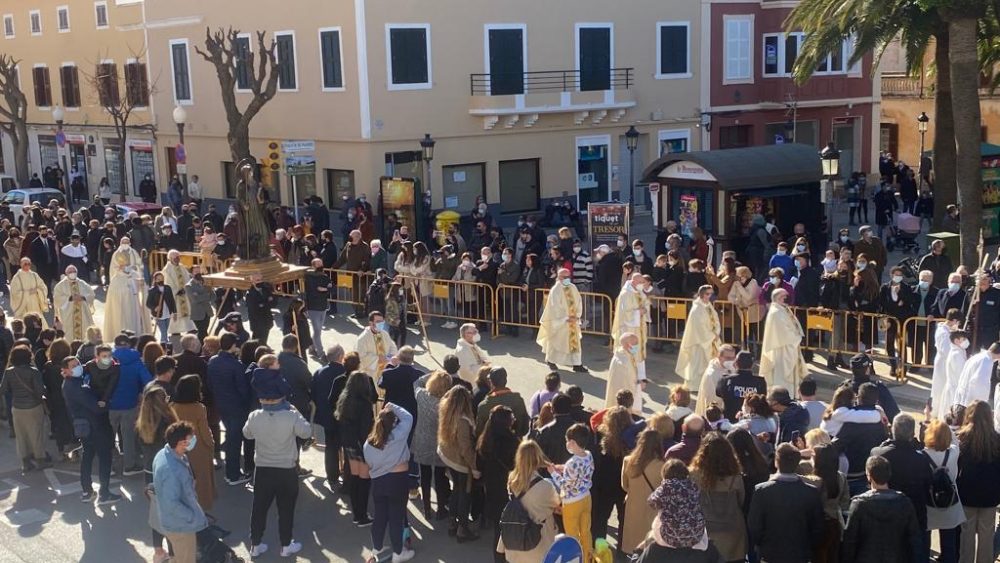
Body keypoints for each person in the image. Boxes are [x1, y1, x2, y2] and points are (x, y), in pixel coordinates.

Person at [243, 389, 312, 558]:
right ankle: (286, 544)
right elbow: (306, 432)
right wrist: (296, 412)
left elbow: (247, 434)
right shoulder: (291, 416)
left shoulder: (255, 416)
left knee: (259, 508)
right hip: (286, 470)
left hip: (263, 469)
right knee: (286, 509)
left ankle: (255, 544)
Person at [869, 413, 933, 559]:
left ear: (893, 430)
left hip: (885, 512)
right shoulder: (921, 458)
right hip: (915, 514)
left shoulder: (878, 453)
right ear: (912, 433)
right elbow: (928, 484)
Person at [748, 443, 824, 563]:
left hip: (770, 554)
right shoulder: (811, 492)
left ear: (776, 462)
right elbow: (817, 528)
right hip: (800, 554)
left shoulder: (761, 491)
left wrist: (762, 545)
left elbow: (754, 526)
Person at [841, 455, 922, 563]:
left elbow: (850, 540)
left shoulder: (859, 504)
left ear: (869, 476)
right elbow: (914, 538)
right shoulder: (904, 502)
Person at [62, 356, 120, 504]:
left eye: (78, 364)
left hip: (85, 426)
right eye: (73, 366)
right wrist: (106, 403)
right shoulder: (75, 386)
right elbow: (95, 406)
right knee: (104, 457)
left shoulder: (74, 382)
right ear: (66, 370)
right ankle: (104, 493)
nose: (77, 367)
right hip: (95, 425)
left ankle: (87, 490)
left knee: (88, 456)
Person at [363, 402, 416, 563]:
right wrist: (392, 406)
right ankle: (398, 553)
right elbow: (408, 417)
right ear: (394, 423)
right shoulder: (399, 435)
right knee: (396, 517)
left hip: (378, 482)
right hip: (398, 481)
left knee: (380, 516)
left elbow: (370, 463)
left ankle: (376, 548)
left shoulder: (369, 443)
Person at [151, 421, 209, 563]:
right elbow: (172, 503)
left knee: (177, 557)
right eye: (191, 438)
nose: (193, 440)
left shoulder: (163, 454)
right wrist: (192, 517)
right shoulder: (173, 470)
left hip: (171, 521)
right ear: (182, 443)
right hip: (181, 526)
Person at [496, 440, 561, 563]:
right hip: (537, 543)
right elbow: (558, 505)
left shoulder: (512, 480)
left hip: (516, 540)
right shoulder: (545, 486)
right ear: (537, 457)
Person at [690, 431, 747, 562]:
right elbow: (741, 500)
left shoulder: (693, 475)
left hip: (705, 531)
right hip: (733, 529)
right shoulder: (735, 477)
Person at [955, 401, 1000, 562]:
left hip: (967, 494)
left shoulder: (962, 437)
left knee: (966, 536)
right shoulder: (996, 439)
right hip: (990, 495)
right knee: (986, 537)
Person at [206, 332, 253, 486]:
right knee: (234, 441)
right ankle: (233, 475)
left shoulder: (213, 361)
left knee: (232, 438)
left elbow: (210, 384)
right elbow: (243, 389)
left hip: (221, 404)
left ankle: (232, 472)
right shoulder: (235, 365)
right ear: (233, 346)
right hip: (236, 407)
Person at [476, 405, 519, 563]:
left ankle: (498, 559)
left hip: (492, 489)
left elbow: (479, 465)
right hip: (509, 488)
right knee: (510, 529)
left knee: (498, 529)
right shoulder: (512, 441)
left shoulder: (485, 439)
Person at [437, 385, 480, 542]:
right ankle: (463, 529)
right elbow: (465, 448)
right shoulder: (463, 420)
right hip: (461, 462)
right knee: (465, 494)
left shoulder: (446, 411)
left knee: (456, 489)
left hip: (449, 457)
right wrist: (475, 468)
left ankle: (451, 522)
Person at [335, 371, 378, 526]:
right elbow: (365, 429)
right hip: (361, 445)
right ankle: (362, 515)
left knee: (355, 478)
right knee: (364, 480)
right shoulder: (365, 404)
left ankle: (357, 514)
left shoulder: (344, 399)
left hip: (349, 443)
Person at [169, 374, 217, 512]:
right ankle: (202, 510)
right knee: (201, 482)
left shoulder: (172, 406)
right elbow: (204, 431)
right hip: (198, 449)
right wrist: (211, 444)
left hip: (179, 448)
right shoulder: (199, 408)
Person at [0, 346, 51, 472]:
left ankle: (25, 463)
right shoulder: (33, 371)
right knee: (36, 434)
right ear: (28, 357)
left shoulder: (9, 372)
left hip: (17, 408)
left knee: (21, 435)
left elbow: (3, 389)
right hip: (34, 407)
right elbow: (40, 391)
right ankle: (40, 460)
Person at [548, 423, 594, 563]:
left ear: (573, 442)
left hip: (572, 503)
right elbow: (579, 474)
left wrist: (553, 474)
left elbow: (565, 485)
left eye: (567, 441)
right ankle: (588, 557)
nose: (567, 444)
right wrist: (562, 468)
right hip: (586, 497)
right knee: (586, 530)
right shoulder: (588, 455)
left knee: (572, 535)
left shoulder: (571, 463)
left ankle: (575, 559)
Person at [834, 383, 890, 496]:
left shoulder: (850, 421)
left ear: (859, 398)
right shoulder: (881, 421)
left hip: (852, 475)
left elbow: (836, 446)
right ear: (876, 400)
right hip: (873, 475)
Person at [923, 419, 965, 563]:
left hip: (929, 503)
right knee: (949, 545)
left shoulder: (923, 455)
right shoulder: (953, 453)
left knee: (924, 543)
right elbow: (955, 441)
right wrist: (946, 426)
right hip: (950, 503)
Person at [413, 371, 452, 519]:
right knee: (440, 477)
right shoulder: (447, 403)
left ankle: (427, 508)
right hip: (440, 443)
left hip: (423, 441)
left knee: (425, 476)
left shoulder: (422, 396)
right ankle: (442, 508)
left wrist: (433, 374)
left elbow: (416, 382)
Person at [619, 429, 665, 553]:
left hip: (633, 506)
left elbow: (624, 485)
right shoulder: (662, 466)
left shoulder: (628, 461)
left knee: (632, 545)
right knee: (648, 545)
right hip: (653, 509)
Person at [536, 268, 587, 372]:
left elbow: (578, 301)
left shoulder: (573, 287)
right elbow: (554, 307)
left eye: (569, 277)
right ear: (559, 277)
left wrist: (577, 315)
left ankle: (577, 364)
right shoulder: (555, 290)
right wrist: (566, 318)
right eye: (565, 277)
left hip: (572, 321)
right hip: (560, 322)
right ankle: (551, 360)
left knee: (575, 344)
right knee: (556, 342)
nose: (568, 279)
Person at [759, 288, 807, 390]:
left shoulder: (782, 309)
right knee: (781, 377)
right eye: (785, 296)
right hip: (781, 350)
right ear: (779, 298)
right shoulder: (776, 312)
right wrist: (797, 337)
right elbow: (783, 333)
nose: (786, 299)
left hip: (788, 348)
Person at [676, 285, 722, 392]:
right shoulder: (697, 309)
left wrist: (716, 331)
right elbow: (699, 328)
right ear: (701, 294)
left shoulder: (708, 305)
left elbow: (715, 319)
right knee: (698, 365)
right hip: (699, 342)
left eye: (711, 294)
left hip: (711, 340)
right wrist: (712, 335)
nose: (710, 296)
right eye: (707, 294)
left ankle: (708, 384)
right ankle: (695, 386)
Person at [104, 237, 149, 338]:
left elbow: (139, 265)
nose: (125, 243)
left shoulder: (134, 253)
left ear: (129, 243)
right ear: (120, 243)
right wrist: (123, 270)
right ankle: (119, 331)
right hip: (119, 280)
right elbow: (113, 268)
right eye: (123, 242)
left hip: (133, 279)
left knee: (134, 308)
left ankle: (135, 330)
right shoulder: (116, 254)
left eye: (127, 242)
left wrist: (133, 269)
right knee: (119, 309)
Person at [378, 346, 421, 437]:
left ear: (398, 358)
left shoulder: (388, 373)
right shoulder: (419, 375)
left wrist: (390, 365)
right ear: (412, 359)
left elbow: (380, 384)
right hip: (410, 412)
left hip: (390, 413)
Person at [716, 350, 767, 421]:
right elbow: (763, 397)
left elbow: (718, 393)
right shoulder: (760, 381)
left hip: (730, 422)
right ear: (752, 365)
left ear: (736, 363)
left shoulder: (726, 380)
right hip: (753, 423)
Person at [932, 309, 965, 418]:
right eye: (958, 322)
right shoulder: (943, 332)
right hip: (943, 362)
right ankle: (937, 412)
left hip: (946, 362)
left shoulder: (946, 330)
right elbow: (946, 349)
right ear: (954, 320)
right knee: (940, 388)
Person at [604, 332, 647, 414]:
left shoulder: (621, 353)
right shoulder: (623, 362)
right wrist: (639, 384)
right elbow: (629, 382)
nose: (637, 346)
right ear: (628, 345)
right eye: (635, 344)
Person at [611, 273, 649, 363]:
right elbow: (624, 312)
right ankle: (628, 371)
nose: (642, 284)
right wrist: (638, 312)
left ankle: (641, 375)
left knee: (639, 351)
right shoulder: (625, 294)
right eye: (641, 282)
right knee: (630, 350)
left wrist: (645, 308)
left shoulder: (639, 292)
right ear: (634, 281)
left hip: (638, 326)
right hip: (628, 327)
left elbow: (645, 303)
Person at [52, 265, 96, 342]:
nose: (72, 273)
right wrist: (70, 298)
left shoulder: (82, 283)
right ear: (66, 273)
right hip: (68, 315)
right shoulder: (61, 285)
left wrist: (83, 297)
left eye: (74, 272)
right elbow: (57, 298)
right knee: (69, 334)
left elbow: (91, 294)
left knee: (84, 332)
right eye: (70, 272)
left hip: (83, 314)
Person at [160, 250, 196, 343]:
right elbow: (167, 282)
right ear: (170, 258)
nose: (177, 259)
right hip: (175, 295)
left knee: (187, 310)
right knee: (176, 312)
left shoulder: (182, 267)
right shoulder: (167, 269)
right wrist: (176, 291)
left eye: (178, 257)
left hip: (184, 293)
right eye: (175, 258)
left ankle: (190, 327)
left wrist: (186, 288)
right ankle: (175, 331)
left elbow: (187, 278)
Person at [952, 341, 1000, 408]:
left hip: (964, 394)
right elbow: (980, 383)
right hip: (972, 399)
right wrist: (982, 403)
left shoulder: (980, 356)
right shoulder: (986, 361)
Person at [356, 311, 397, 384]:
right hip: (370, 374)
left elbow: (392, 347)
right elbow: (360, 357)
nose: (381, 324)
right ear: (371, 323)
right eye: (378, 321)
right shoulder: (362, 339)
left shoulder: (384, 334)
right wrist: (377, 359)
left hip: (385, 369)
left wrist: (391, 357)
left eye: (382, 321)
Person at [303, 258, 333, 356]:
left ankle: (311, 348)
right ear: (313, 266)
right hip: (313, 307)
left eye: (321, 263)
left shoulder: (324, 276)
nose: (320, 266)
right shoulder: (309, 277)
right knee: (317, 330)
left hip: (323, 306)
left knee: (318, 330)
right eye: (318, 264)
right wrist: (325, 289)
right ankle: (321, 352)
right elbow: (314, 291)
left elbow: (331, 288)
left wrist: (324, 289)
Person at [10, 257, 49, 325]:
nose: (27, 265)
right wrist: (28, 293)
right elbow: (14, 293)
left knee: (39, 323)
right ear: (21, 265)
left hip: (35, 304)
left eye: (29, 264)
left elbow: (43, 287)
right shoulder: (17, 278)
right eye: (25, 264)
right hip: (24, 306)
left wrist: (38, 290)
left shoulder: (34, 275)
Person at [146, 271, 177, 345]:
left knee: (165, 331)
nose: (161, 280)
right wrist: (155, 308)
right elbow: (148, 303)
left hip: (167, 313)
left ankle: (163, 345)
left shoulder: (168, 288)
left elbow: (172, 300)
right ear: (155, 280)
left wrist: (175, 312)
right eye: (158, 279)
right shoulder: (152, 291)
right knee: (163, 332)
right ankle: (165, 346)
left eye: (162, 278)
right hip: (158, 315)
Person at [245, 275, 275, 343]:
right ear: (252, 281)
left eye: (261, 279)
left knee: (264, 340)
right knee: (256, 342)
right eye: (258, 280)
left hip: (267, 321)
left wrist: (263, 304)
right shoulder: (250, 294)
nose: (260, 282)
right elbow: (254, 309)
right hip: (257, 324)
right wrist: (267, 302)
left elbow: (273, 303)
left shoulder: (266, 289)